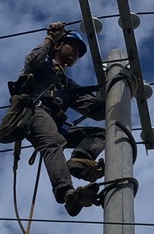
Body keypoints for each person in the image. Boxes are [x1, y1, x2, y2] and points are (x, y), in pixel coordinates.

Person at [15, 21, 105, 215]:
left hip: (54, 124)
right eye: (71, 46)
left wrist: (121, 88)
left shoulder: (67, 85)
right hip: (33, 112)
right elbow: (31, 61)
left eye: (79, 52)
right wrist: (50, 38)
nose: (75, 53)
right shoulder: (42, 66)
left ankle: (81, 160)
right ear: (58, 46)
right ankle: (68, 193)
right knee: (54, 142)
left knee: (104, 134)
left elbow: (97, 111)